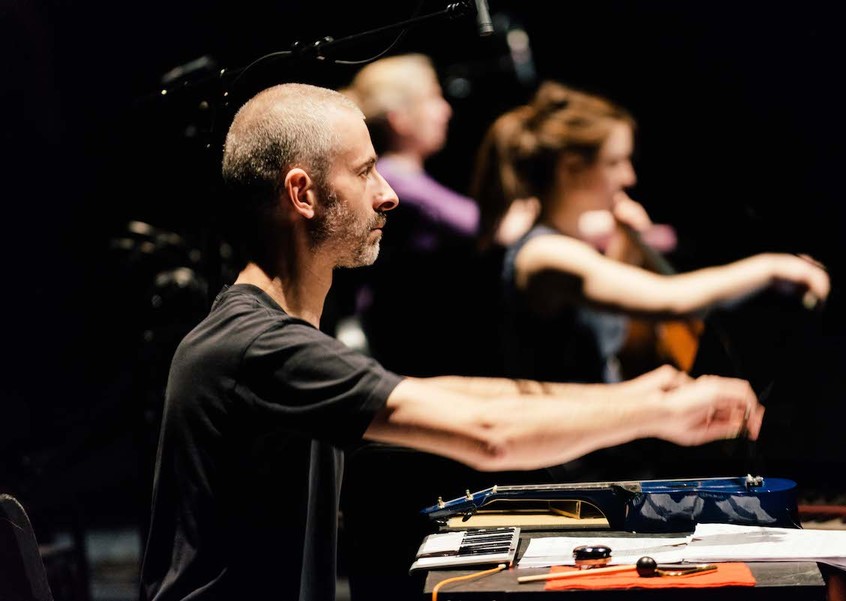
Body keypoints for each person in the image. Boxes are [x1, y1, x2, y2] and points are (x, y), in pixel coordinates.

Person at [138, 82, 768, 601]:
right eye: (364, 172)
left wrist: (641, 392)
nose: (386, 195)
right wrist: (654, 413)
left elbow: (458, 394)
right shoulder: (256, 348)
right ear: (302, 194)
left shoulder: (269, 336)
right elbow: (486, 431)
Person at [470, 80, 831, 387]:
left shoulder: (572, 240)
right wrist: (771, 267)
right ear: (571, 169)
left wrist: (623, 238)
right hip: (566, 464)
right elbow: (670, 300)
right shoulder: (546, 254)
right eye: (615, 162)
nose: (629, 177)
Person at [335, 53, 538, 376]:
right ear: (399, 118)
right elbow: (490, 230)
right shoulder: (395, 178)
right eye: (432, 98)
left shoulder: (408, 176)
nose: (446, 110)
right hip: (407, 344)